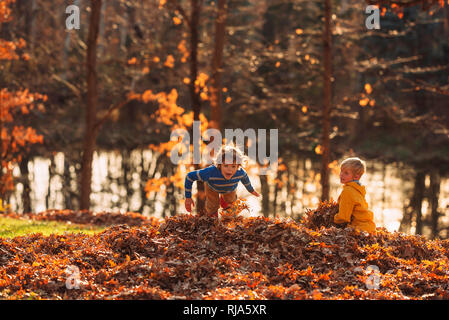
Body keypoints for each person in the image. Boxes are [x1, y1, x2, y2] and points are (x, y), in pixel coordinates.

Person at [184, 144, 260, 217]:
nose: (229, 170)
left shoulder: (240, 173)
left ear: (238, 166)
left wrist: (251, 190)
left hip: (230, 189)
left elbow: (245, 179)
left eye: (233, 166)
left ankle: (225, 208)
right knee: (212, 206)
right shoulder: (210, 172)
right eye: (226, 165)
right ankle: (214, 223)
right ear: (220, 165)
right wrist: (188, 197)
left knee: (231, 206)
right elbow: (189, 176)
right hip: (212, 187)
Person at [334, 157, 376, 233]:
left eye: (346, 173)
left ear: (356, 176)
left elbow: (343, 217)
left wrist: (333, 219)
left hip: (358, 229)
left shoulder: (348, 191)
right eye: (341, 171)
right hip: (369, 227)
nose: (341, 175)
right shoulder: (358, 189)